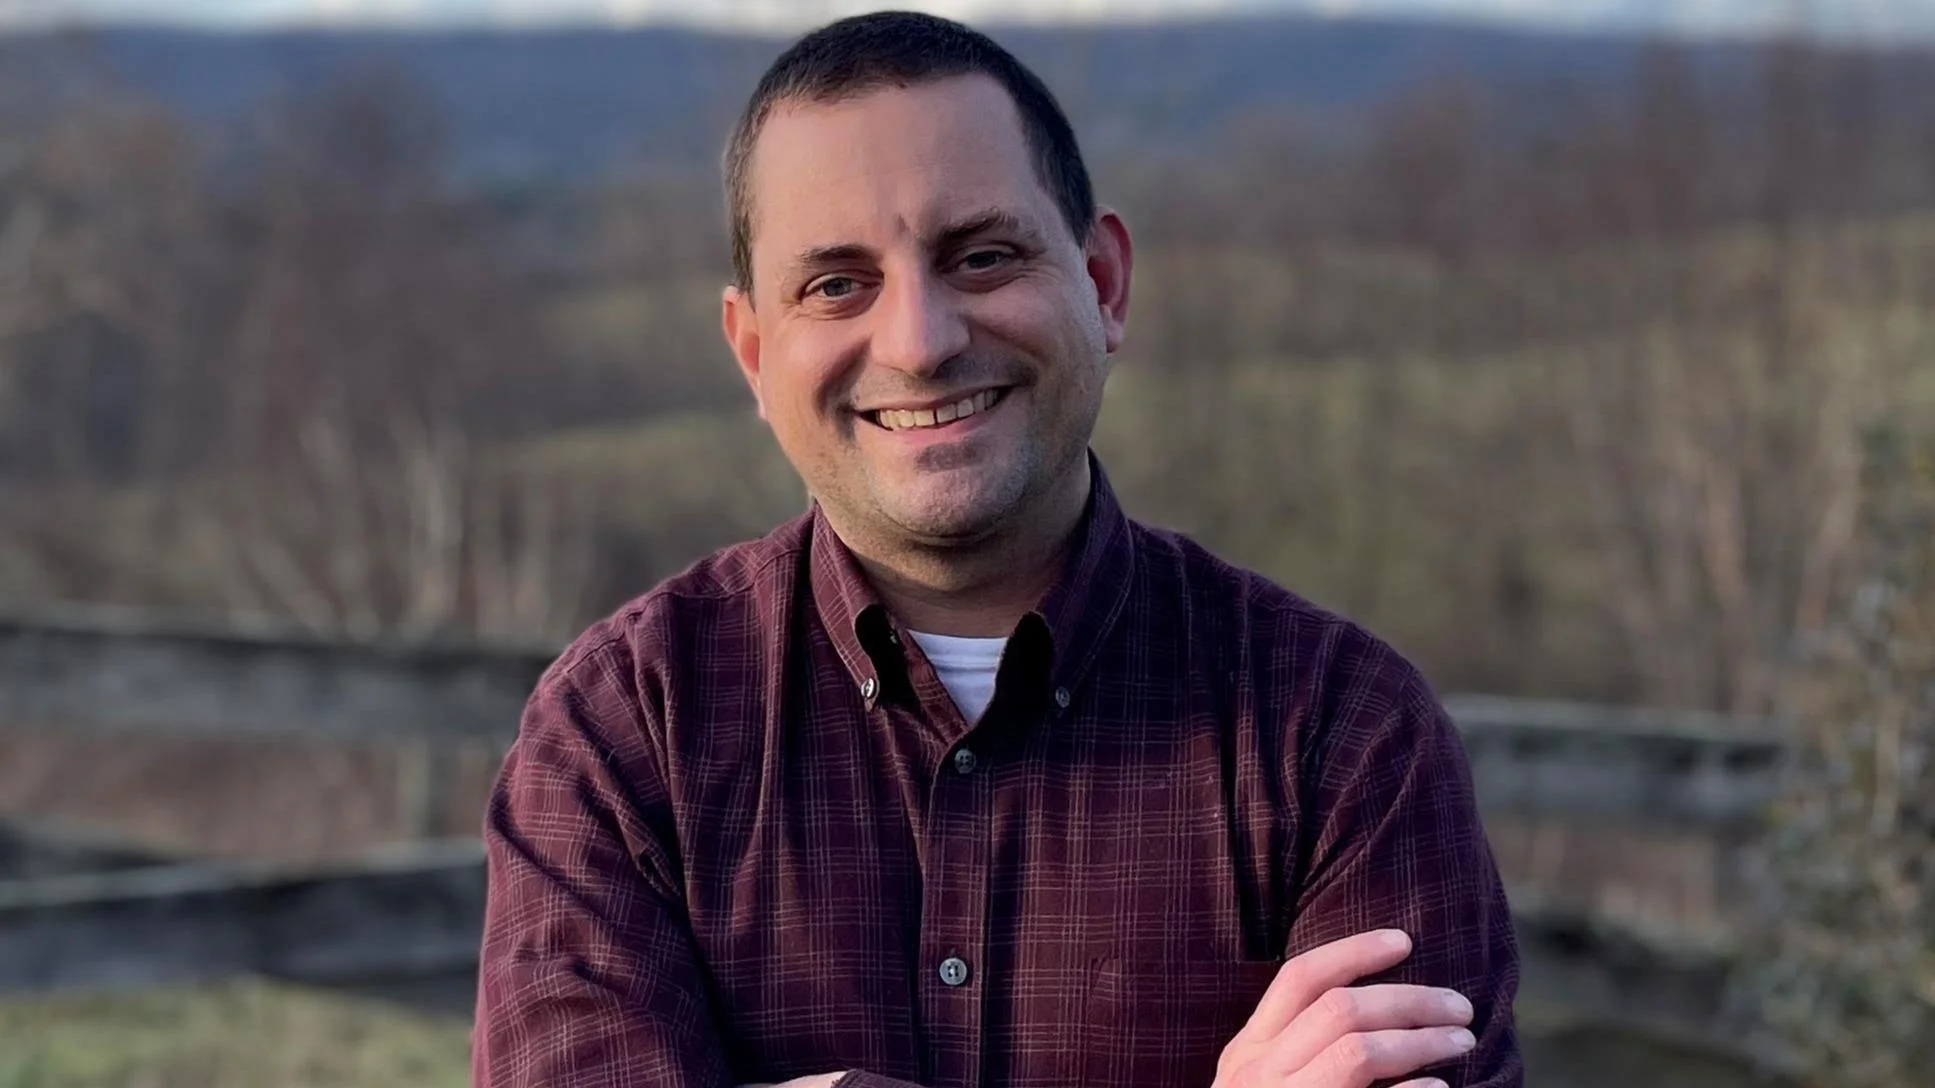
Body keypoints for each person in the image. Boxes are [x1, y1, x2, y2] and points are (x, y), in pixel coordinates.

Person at [473, 10, 1521, 1088]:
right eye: (837, 283)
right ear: (753, 350)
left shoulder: (1340, 734)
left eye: (981, 256)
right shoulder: (624, 731)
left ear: (1103, 282)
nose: (921, 341)